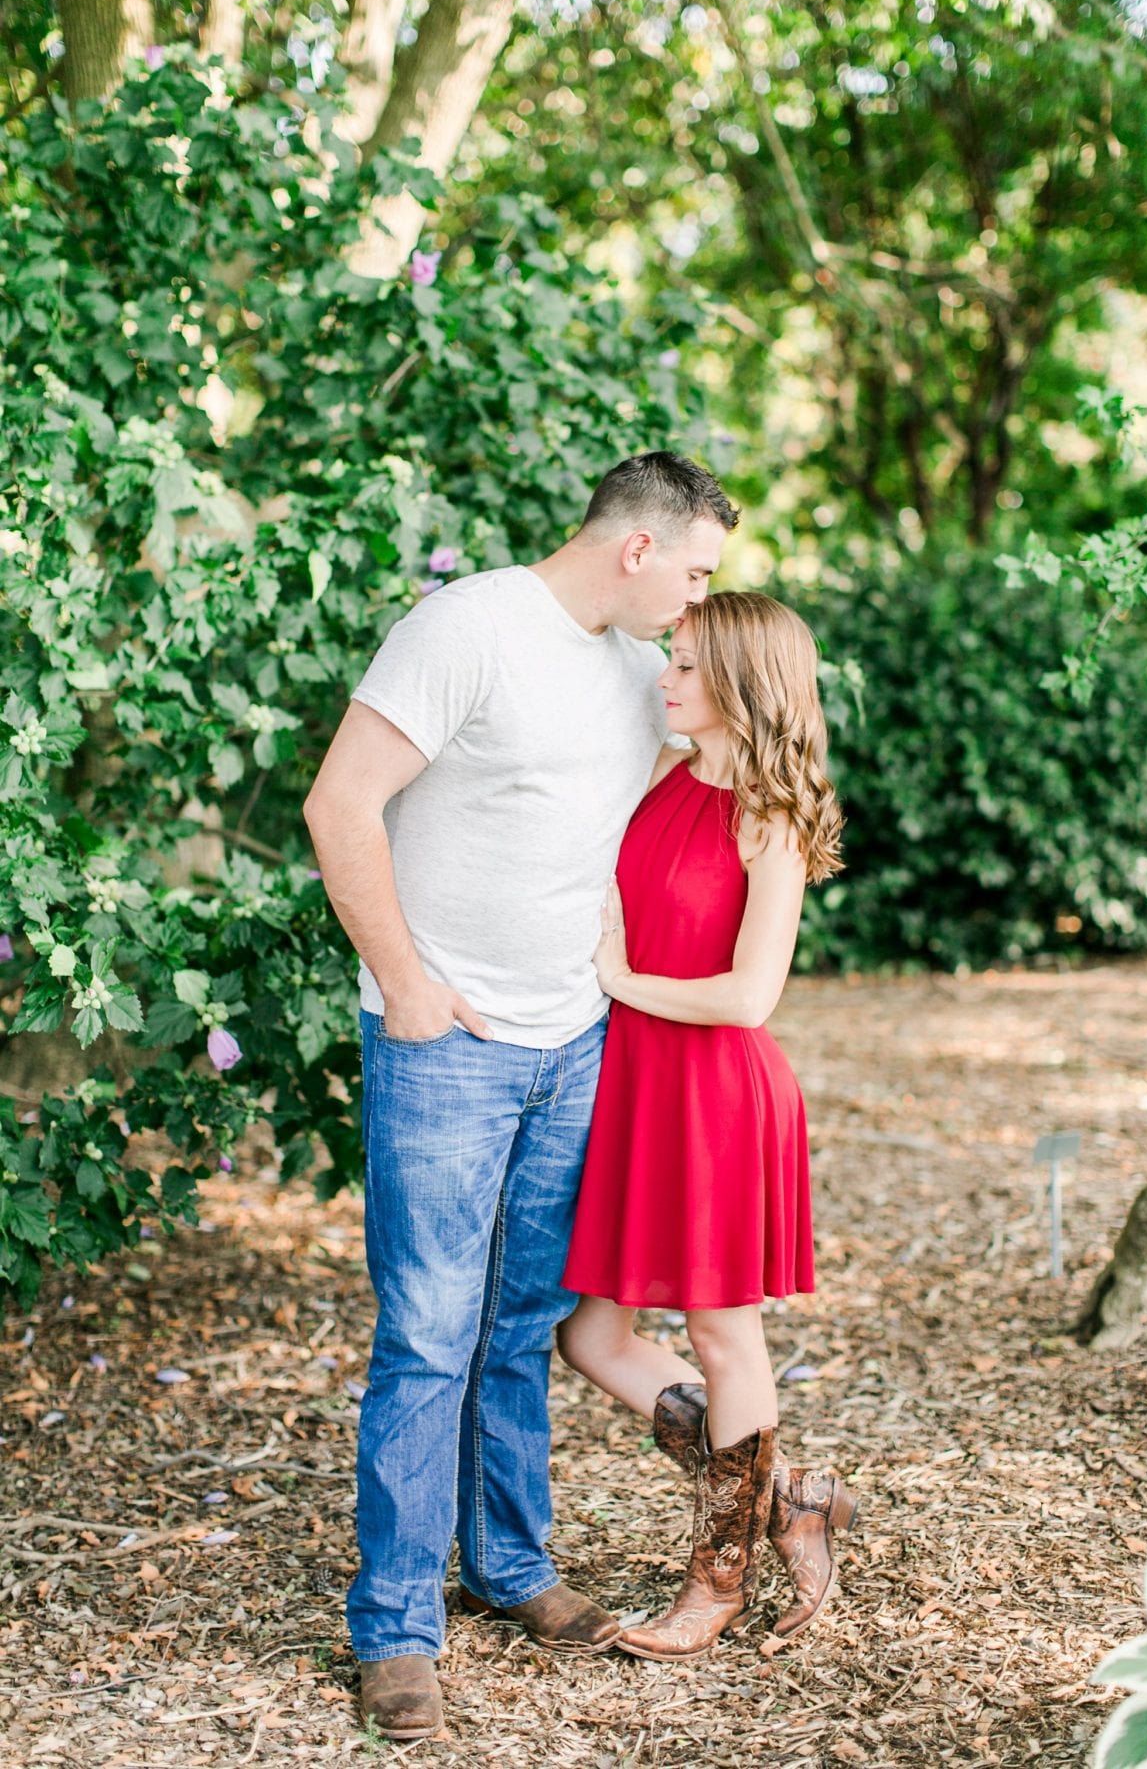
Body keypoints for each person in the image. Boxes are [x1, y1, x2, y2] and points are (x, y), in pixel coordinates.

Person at [302, 453, 739, 1739]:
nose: (703, 598)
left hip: (573, 1046)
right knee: (429, 1335)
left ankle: (509, 1570)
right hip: (446, 1047)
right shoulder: (467, 627)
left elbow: (728, 745)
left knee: (517, 1328)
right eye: (700, 569)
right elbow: (341, 808)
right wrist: (409, 987)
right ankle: (394, 1630)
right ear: (640, 549)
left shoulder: (633, 675)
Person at [558, 590, 858, 1661]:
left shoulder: (766, 816)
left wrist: (621, 977)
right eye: (670, 660)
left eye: (685, 667)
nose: (665, 680)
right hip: (639, 1087)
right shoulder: (661, 776)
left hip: (717, 1095)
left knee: (724, 1336)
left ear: (738, 683)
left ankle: (715, 1584)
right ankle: (787, 1504)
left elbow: (746, 997)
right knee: (590, 1335)